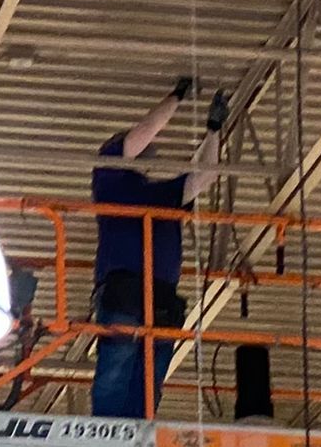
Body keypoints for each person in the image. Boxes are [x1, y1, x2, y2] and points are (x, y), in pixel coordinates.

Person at [89, 77, 228, 418]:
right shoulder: (109, 177)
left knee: (148, 371)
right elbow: (140, 136)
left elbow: (204, 177)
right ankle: (108, 431)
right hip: (127, 289)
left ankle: (137, 431)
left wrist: (214, 130)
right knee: (119, 366)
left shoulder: (163, 195)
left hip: (159, 294)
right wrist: (176, 97)